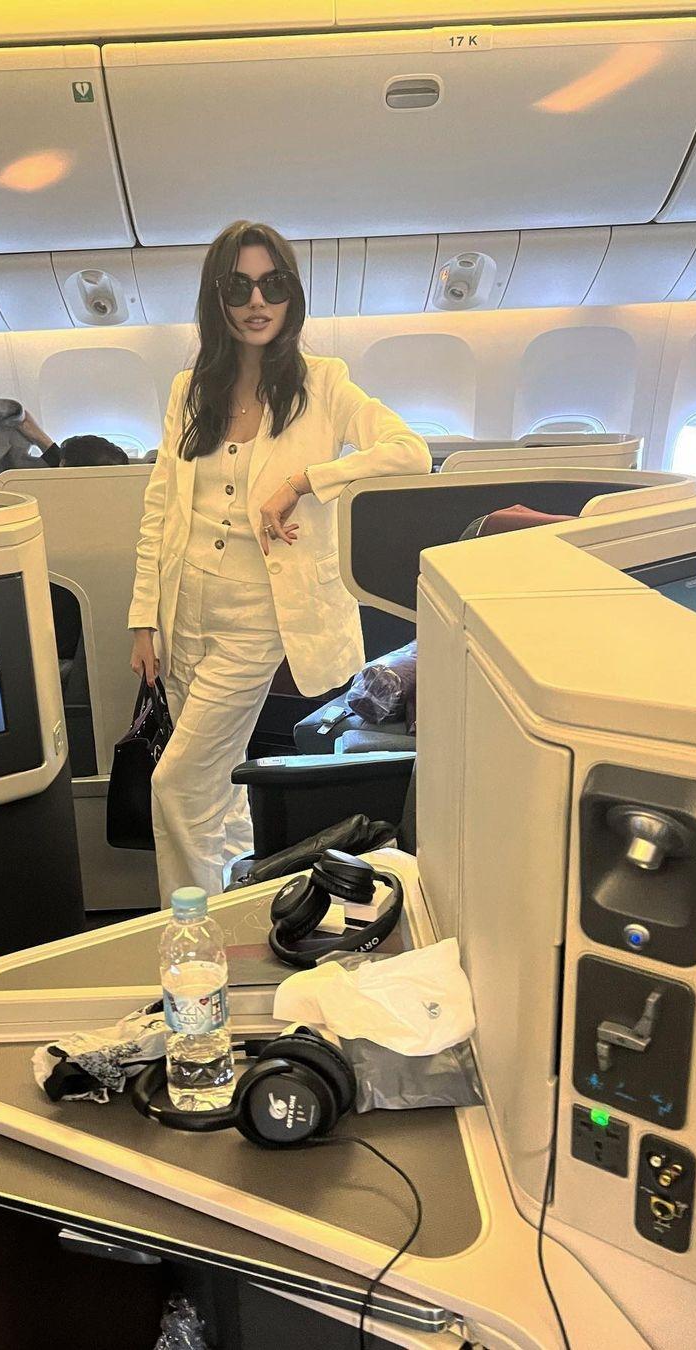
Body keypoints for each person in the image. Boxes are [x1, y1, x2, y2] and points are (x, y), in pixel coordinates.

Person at [128, 220, 431, 903]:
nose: (257, 301)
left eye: (273, 284)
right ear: (217, 298)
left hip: (254, 617)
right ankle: (243, 895)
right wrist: (142, 617)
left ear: (292, 292)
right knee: (218, 775)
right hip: (183, 608)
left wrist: (304, 482)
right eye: (239, 287)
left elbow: (408, 452)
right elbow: (159, 509)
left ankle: (191, 925)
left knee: (176, 783)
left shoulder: (323, 384)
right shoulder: (189, 390)